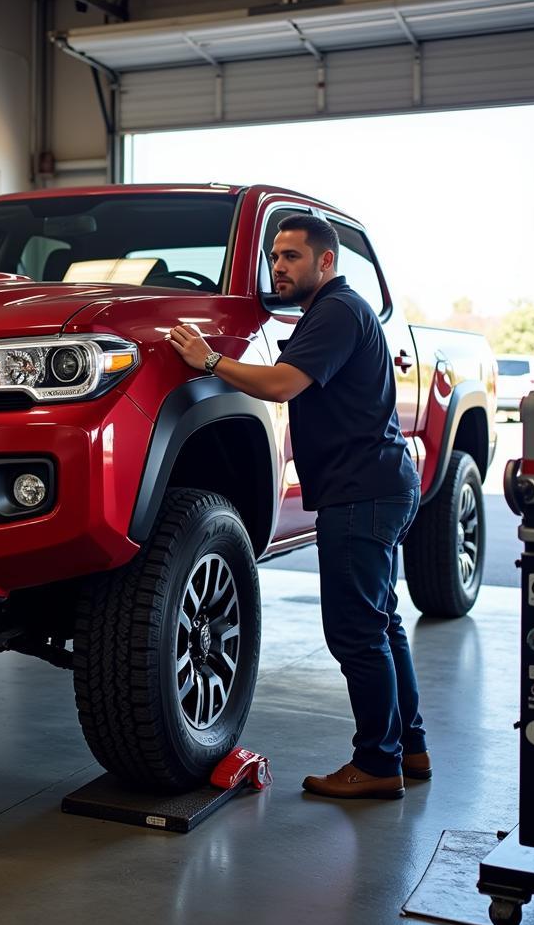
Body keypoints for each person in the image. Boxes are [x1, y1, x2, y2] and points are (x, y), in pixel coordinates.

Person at [169, 213, 428, 800]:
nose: (278, 267)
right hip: (379, 486)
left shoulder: (337, 309)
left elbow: (284, 384)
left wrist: (208, 361)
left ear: (325, 261)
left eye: (291, 256)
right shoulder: (336, 310)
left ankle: (377, 764)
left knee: (355, 632)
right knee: (381, 623)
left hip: (362, 495)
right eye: (275, 257)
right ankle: (409, 749)